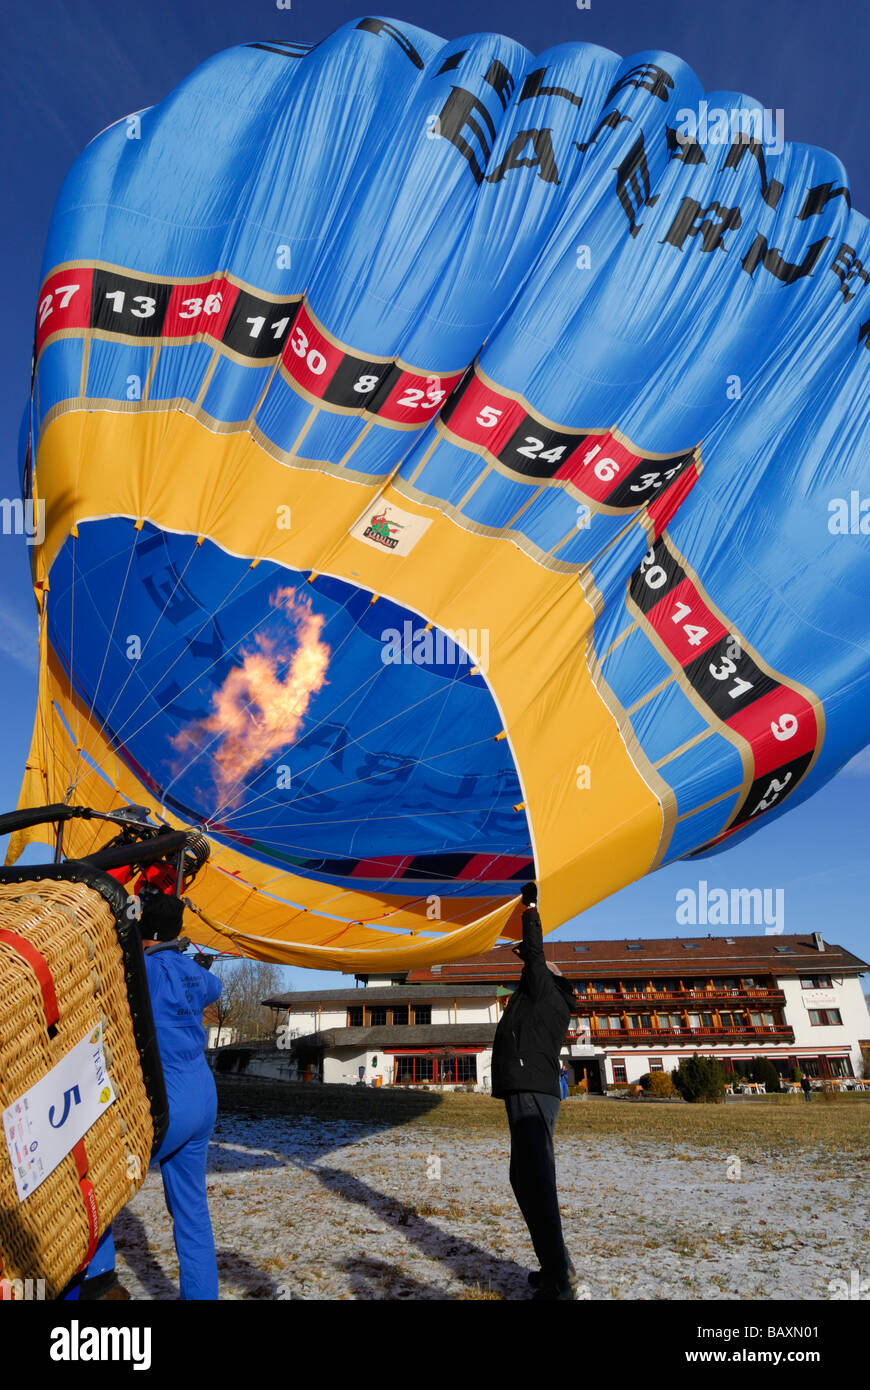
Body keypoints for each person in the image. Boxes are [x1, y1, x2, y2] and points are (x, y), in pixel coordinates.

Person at [491, 882, 577, 1300]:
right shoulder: (542, 999)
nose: (525, 971)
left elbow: (537, 955)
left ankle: (559, 1279)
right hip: (529, 1088)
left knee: (536, 1180)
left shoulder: (547, 991)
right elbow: (532, 959)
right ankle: (555, 1264)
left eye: (532, 968)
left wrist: (530, 908)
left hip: (530, 1089)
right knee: (525, 1178)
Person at [139, 892, 222, 1299]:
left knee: (97, 1186)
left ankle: (98, 1280)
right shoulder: (195, 973)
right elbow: (214, 986)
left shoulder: (146, 969)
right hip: (203, 1095)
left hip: (170, 1099)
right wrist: (193, 966)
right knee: (192, 1210)